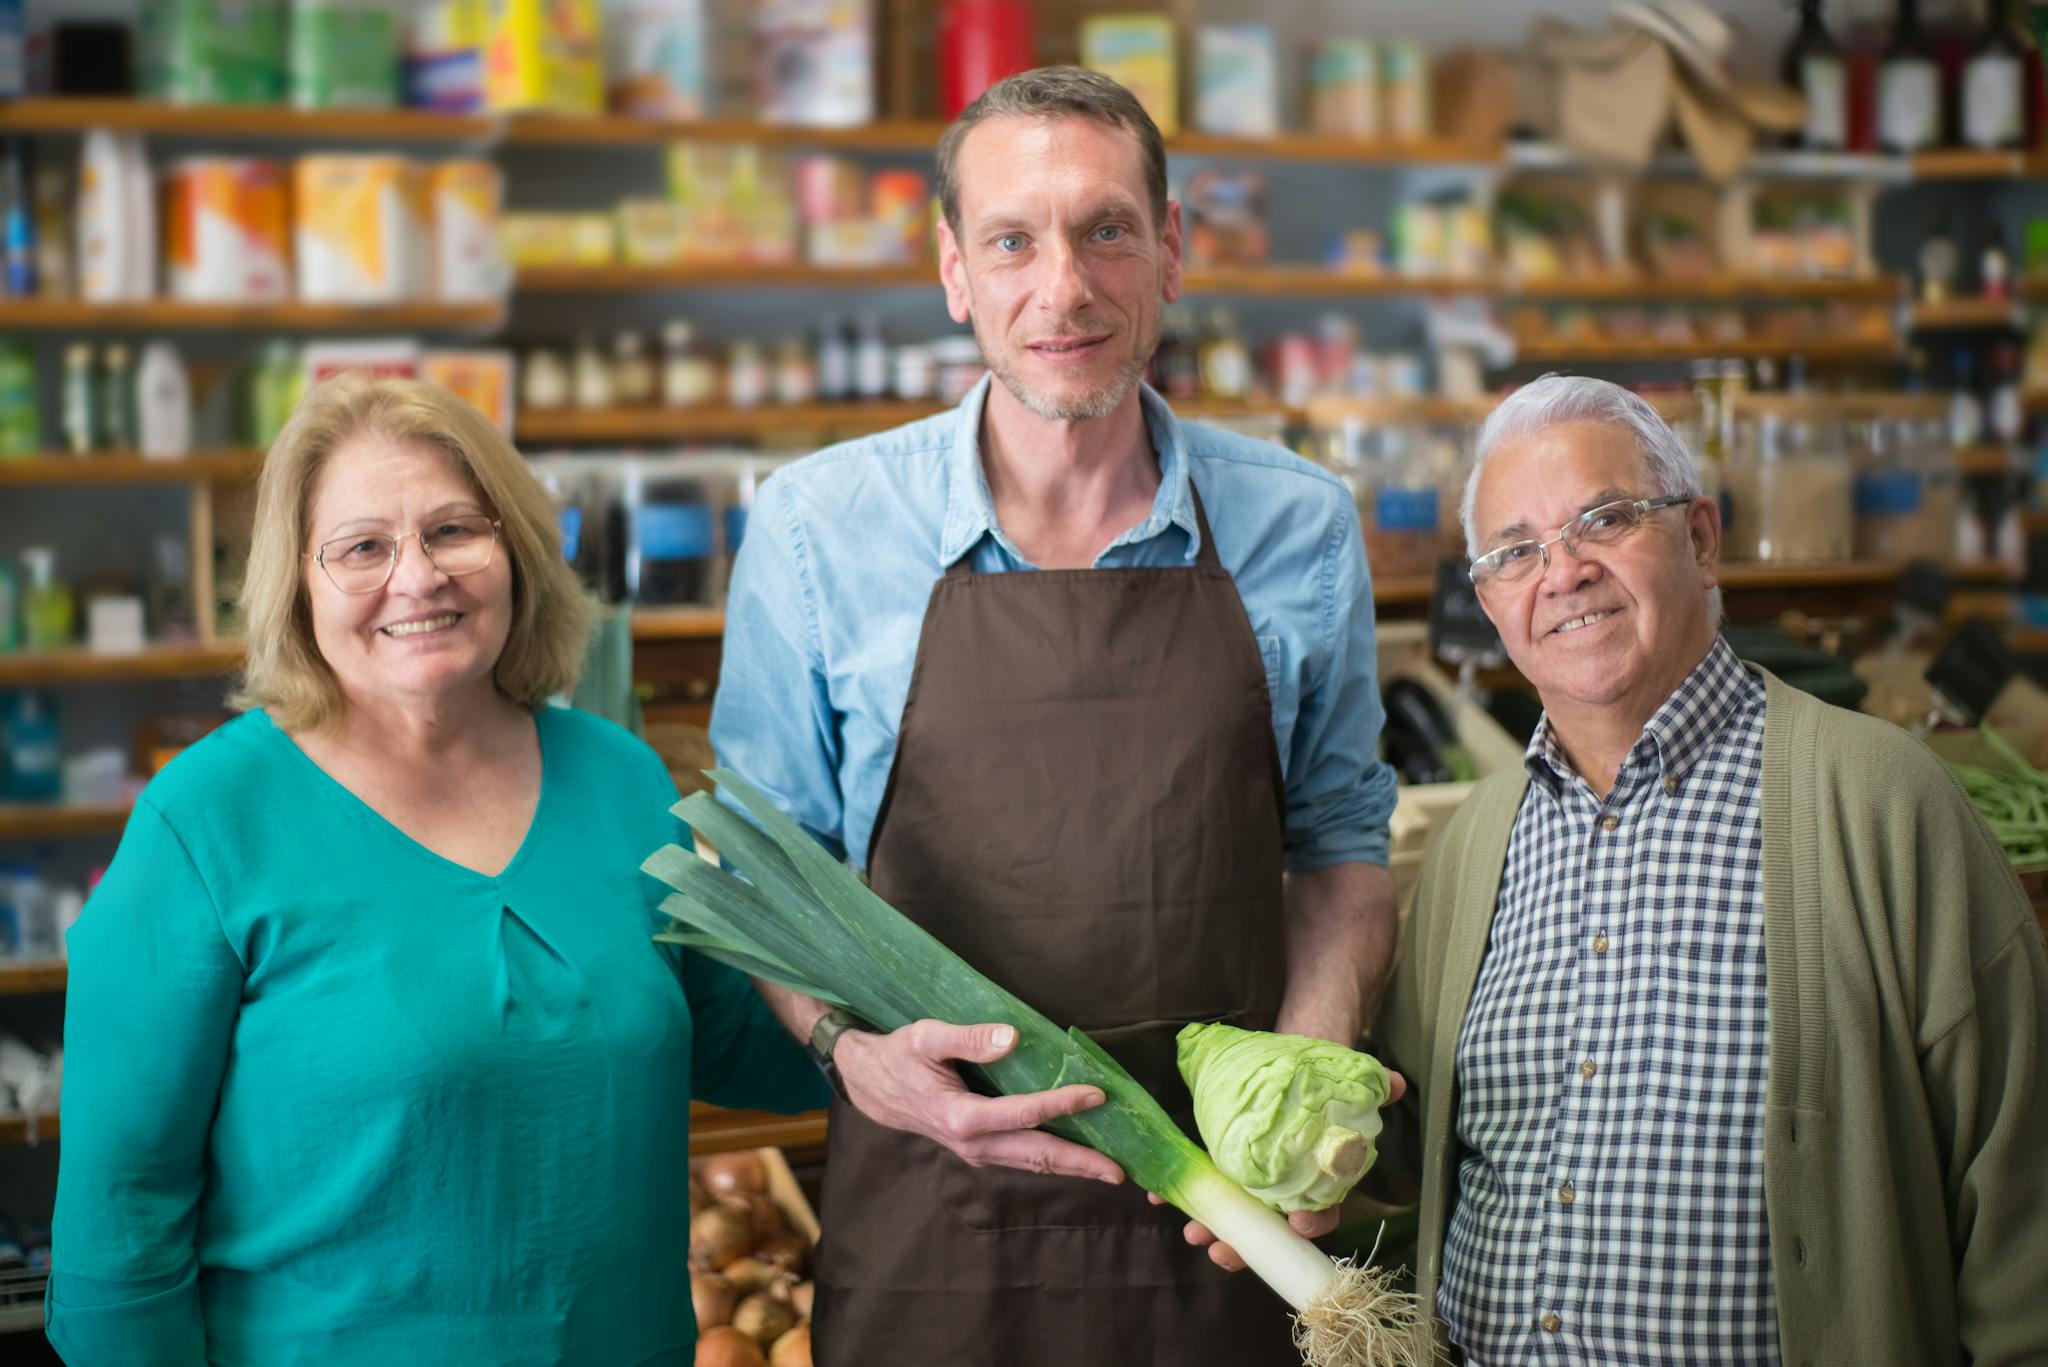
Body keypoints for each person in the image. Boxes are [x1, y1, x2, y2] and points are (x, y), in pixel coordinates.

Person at [710, 65, 1402, 1366]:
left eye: (1106, 230)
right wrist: (853, 1051)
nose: (1064, 286)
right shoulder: (819, 529)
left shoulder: (1299, 522)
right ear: (954, 271)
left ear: (1172, 251)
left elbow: (1340, 842)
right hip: (936, 1213)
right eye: (1013, 240)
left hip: (1223, 1219)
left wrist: (1309, 1080)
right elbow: (766, 872)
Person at [46, 375, 827, 1364]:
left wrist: (910, 996)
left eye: (454, 529)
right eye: (363, 545)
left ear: (516, 553)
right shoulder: (205, 819)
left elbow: (725, 1032)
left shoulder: (616, 773)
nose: (416, 576)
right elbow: (120, 1213)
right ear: (296, 579)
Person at [1373, 374, 2048, 1365]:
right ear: (1488, 601)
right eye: (1515, 550)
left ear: (1698, 536)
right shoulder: (1471, 845)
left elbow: (2020, 1208)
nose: (1560, 572)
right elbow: (1412, 1140)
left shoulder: (1882, 803)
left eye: (1602, 519)